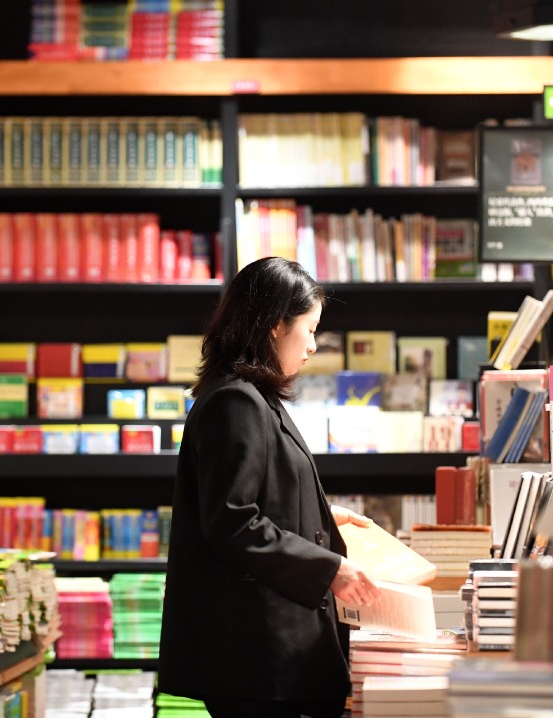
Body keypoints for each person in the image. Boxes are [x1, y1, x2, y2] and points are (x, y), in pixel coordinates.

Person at [158, 256, 381, 718]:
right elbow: (233, 522)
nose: (314, 346)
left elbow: (259, 497)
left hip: (267, 655)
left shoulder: (248, 397)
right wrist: (330, 570)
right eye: (311, 328)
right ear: (278, 325)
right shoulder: (235, 401)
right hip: (255, 656)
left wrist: (323, 514)